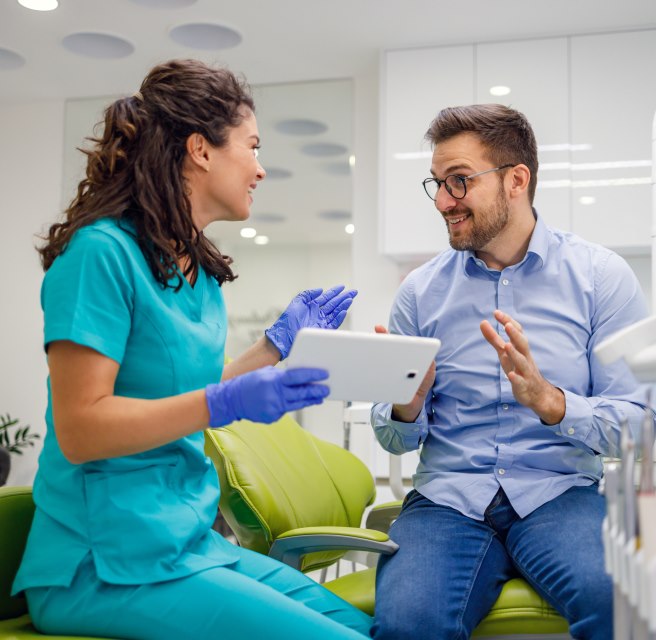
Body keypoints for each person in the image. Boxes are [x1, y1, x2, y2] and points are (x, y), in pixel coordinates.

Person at [12, 59, 371, 640]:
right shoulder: (100, 254)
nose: (260, 168)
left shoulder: (194, 272)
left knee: (361, 626)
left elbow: (179, 399)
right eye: (252, 147)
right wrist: (225, 404)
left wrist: (274, 347)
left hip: (185, 541)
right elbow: (82, 428)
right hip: (103, 561)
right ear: (201, 149)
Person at [370, 104, 649, 640]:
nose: (444, 201)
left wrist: (555, 404)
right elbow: (392, 433)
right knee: (409, 625)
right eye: (437, 183)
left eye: (459, 181)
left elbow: (643, 425)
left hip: (561, 492)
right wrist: (406, 405)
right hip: (447, 501)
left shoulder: (599, 278)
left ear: (516, 180)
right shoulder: (420, 293)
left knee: (626, 605)